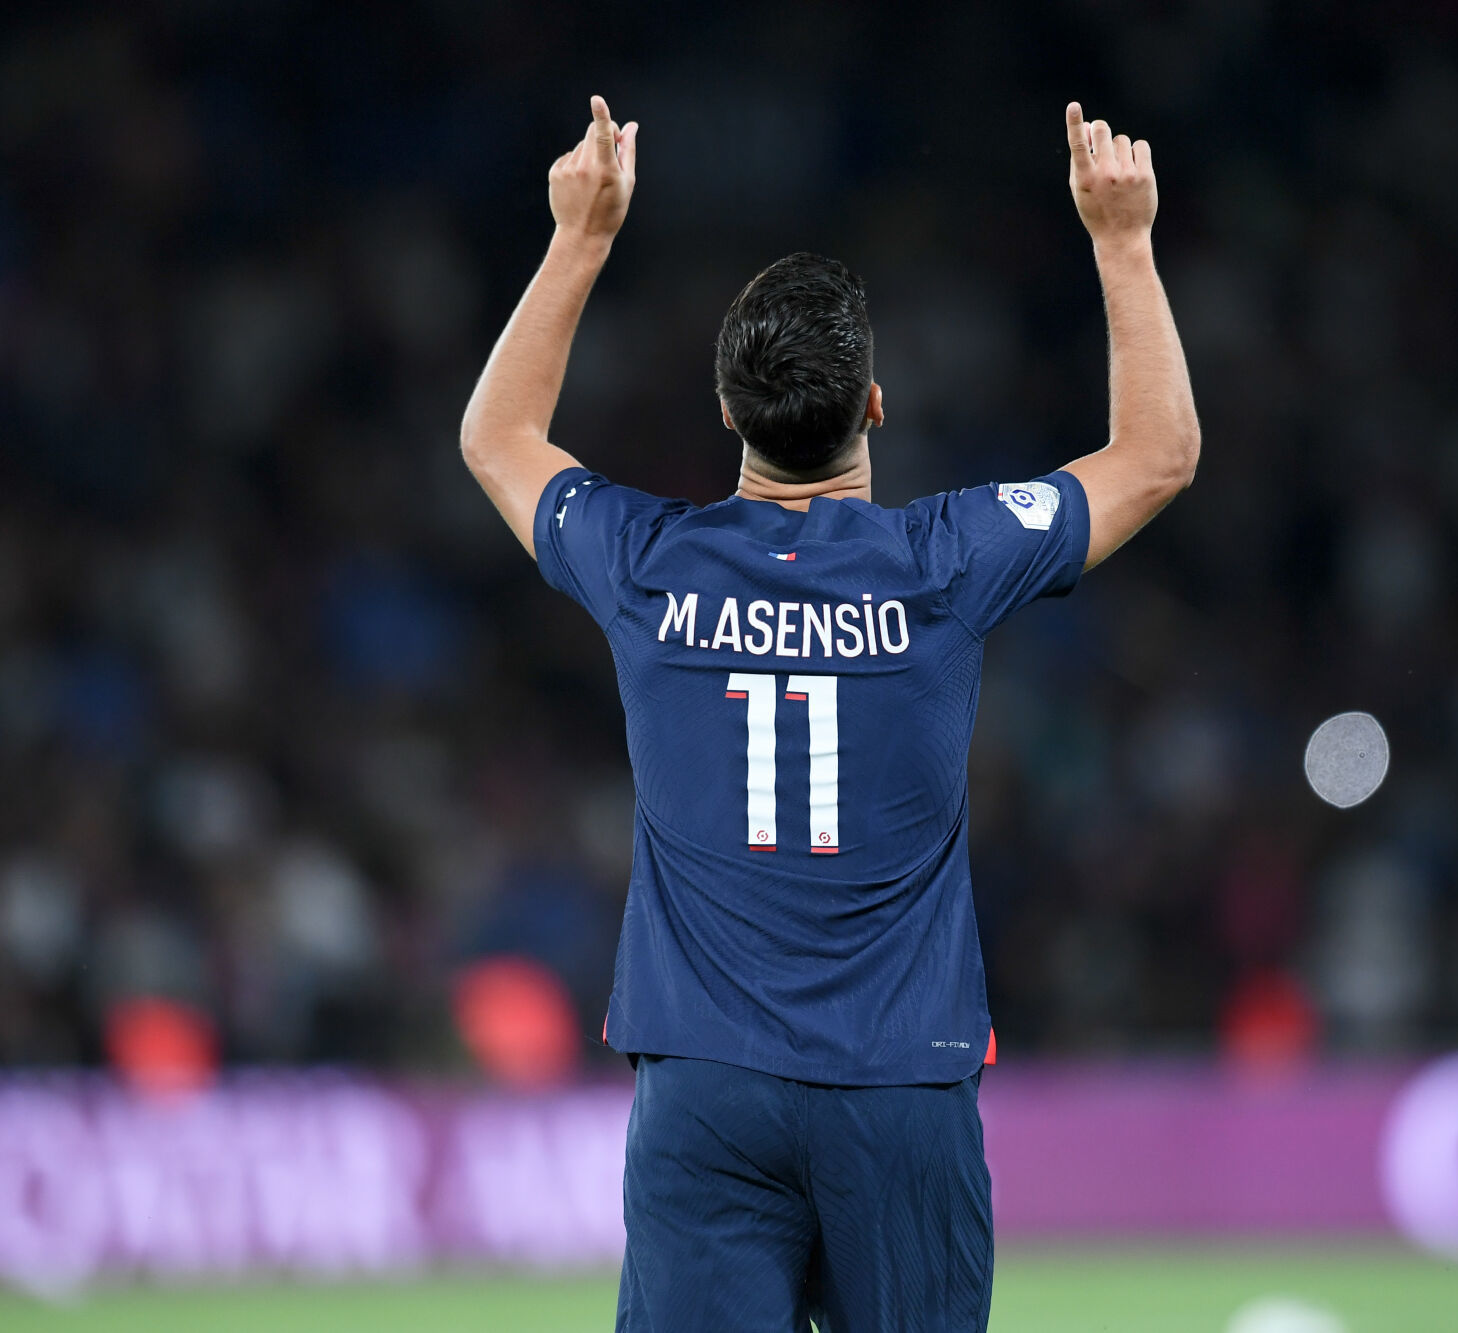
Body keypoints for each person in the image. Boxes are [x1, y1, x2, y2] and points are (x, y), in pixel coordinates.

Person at [460, 94, 1198, 1333]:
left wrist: (577, 237)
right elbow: (1157, 455)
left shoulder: (648, 565)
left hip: (706, 1091)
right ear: (874, 406)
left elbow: (498, 438)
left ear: (727, 413)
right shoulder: (945, 562)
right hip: (897, 1089)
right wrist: (1123, 242)